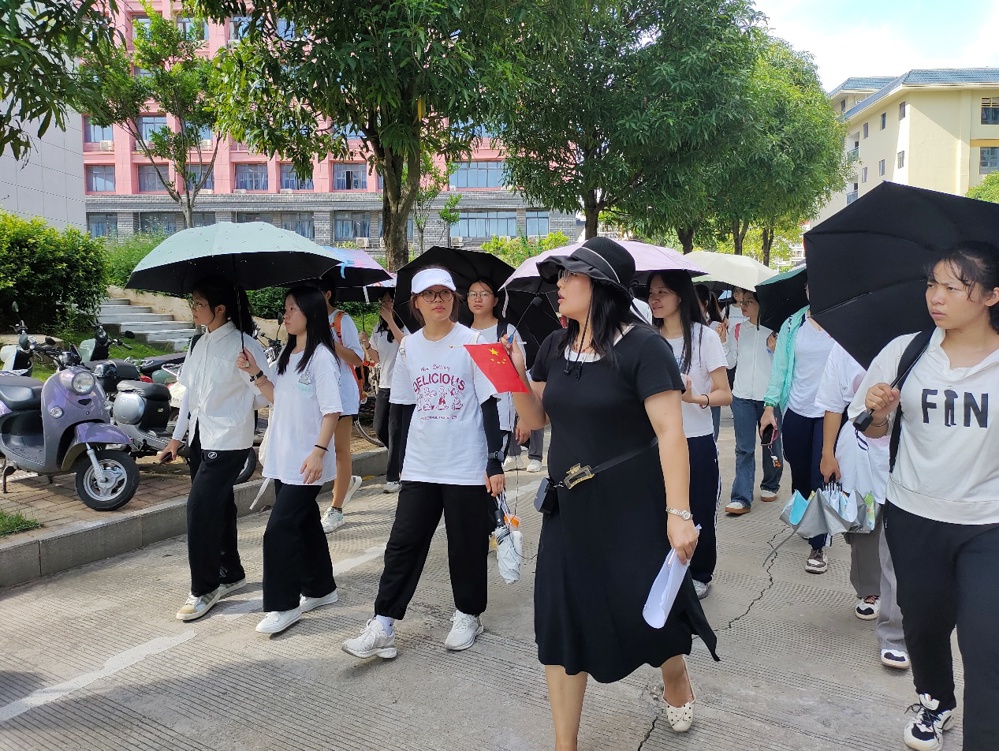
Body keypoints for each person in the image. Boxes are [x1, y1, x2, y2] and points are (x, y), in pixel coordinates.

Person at [506, 237, 717, 750]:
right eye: (558, 276)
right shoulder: (554, 346)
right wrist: (509, 374)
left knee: (649, 612)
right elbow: (537, 419)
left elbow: (671, 433)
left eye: (569, 275)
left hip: (632, 508)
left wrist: (678, 513)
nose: (559, 284)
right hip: (569, 508)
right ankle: (565, 744)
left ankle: (674, 674)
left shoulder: (644, 347)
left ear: (599, 285)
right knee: (562, 622)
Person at [853, 244, 999, 751]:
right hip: (913, 514)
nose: (935, 297)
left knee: (986, 643)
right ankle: (935, 701)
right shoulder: (907, 352)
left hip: (988, 524)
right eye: (932, 284)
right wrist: (878, 412)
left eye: (952, 287)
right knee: (924, 626)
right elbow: (872, 431)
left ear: (991, 296)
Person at [341, 267, 506, 659]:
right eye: (429, 294)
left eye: (444, 293)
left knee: (466, 545)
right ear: (415, 303)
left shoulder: (476, 341)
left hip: (465, 463)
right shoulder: (408, 347)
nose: (438, 300)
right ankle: (383, 623)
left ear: (454, 299)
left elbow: (490, 405)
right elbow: (403, 409)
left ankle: (468, 614)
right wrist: (398, 463)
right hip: (421, 464)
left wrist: (494, 461)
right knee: (404, 543)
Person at [162, 278, 269, 622]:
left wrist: (249, 374)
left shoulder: (244, 344)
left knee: (199, 510)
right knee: (220, 506)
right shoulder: (199, 343)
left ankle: (204, 588)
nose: (193, 308)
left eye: (198, 303)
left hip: (227, 440)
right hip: (198, 437)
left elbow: (264, 396)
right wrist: (176, 438)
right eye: (192, 302)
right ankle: (230, 571)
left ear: (219, 308)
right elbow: (189, 394)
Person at [236, 287, 342, 635]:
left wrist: (319, 451)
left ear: (311, 312)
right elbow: (277, 398)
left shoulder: (322, 358)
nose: (286, 314)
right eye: (285, 309)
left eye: (292, 309)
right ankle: (320, 588)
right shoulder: (288, 353)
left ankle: (283, 605)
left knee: (279, 531)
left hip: (307, 460)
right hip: (285, 457)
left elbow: (332, 411)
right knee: (306, 523)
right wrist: (255, 372)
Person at [815, 341, 908, 669]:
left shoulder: (916, 347)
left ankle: (898, 612)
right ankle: (870, 589)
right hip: (857, 450)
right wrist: (827, 453)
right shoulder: (843, 347)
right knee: (863, 528)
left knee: (898, 535)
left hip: (906, 451)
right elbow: (832, 404)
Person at [649, 271, 732, 599]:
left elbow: (725, 393)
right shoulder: (647, 339)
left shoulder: (704, 338)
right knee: (658, 509)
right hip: (654, 442)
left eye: (662, 292)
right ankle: (665, 569)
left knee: (698, 508)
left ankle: (700, 572)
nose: (654, 299)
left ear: (680, 296)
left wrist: (696, 397)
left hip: (696, 439)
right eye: (651, 293)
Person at [759, 284, 835, 574]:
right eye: (811, 284)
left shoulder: (843, 322)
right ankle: (806, 516)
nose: (816, 288)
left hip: (830, 413)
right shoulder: (792, 324)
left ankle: (819, 544)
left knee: (820, 476)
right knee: (800, 474)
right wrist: (769, 406)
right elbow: (779, 368)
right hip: (796, 410)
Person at [723, 288, 782, 515]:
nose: (743, 306)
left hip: (769, 399)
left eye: (749, 301)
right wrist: (723, 342)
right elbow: (730, 362)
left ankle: (770, 484)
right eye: (742, 301)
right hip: (742, 397)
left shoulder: (776, 331)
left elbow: (784, 366)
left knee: (771, 445)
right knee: (744, 448)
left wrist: (775, 349)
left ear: (761, 304)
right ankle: (741, 497)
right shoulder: (738, 329)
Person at [315, 277, 365, 532]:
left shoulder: (341, 320)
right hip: (314, 393)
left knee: (340, 450)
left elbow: (357, 358)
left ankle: (336, 509)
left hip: (341, 393)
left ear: (327, 294)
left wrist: (329, 342)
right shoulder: (306, 319)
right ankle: (345, 483)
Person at [465, 276, 525, 460]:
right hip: (466, 418)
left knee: (492, 471)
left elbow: (522, 375)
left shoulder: (507, 332)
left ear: (495, 300)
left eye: (484, 294)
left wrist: (524, 417)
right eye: (473, 294)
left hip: (500, 416)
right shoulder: (461, 334)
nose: (477, 299)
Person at [359, 291, 408, 493]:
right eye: (383, 300)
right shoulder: (378, 329)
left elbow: (406, 345)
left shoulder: (407, 326)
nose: (386, 304)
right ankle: (403, 457)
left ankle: (393, 478)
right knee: (379, 428)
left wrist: (391, 320)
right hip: (385, 384)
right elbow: (376, 358)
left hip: (403, 386)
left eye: (390, 300)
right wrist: (366, 344)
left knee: (395, 431)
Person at [695, 284, 728, 440]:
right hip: (696, 390)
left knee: (711, 433)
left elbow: (726, 361)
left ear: (705, 304)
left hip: (712, 388)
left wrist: (722, 340)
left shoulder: (715, 328)